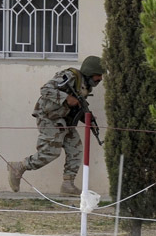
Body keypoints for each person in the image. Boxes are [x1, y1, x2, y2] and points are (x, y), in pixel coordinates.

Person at [7, 55, 104, 195]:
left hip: (63, 119)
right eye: (98, 75)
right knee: (51, 152)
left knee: (75, 149)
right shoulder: (70, 76)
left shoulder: (85, 86)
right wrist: (66, 98)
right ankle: (19, 167)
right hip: (48, 116)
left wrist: (88, 119)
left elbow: (76, 106)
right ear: (90, 72)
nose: (100, 79)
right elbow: (45, 89)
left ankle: (67, 184)